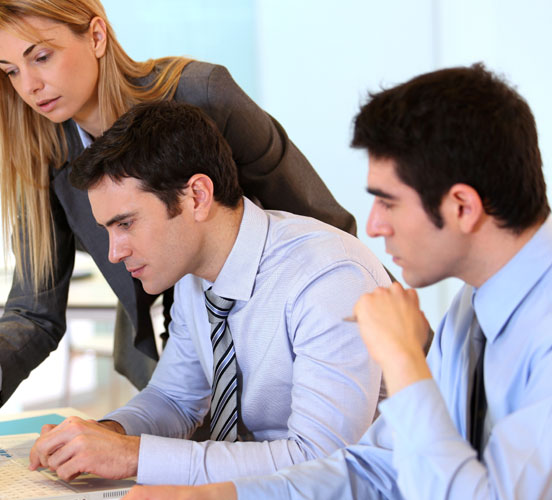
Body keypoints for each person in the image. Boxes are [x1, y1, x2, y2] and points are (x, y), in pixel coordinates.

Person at [0, 0, 357, 421]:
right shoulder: (43, 149)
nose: (29, 87)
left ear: (97, 35)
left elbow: (324, 228)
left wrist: (385, 342)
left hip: (273, 352)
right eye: (11, 71)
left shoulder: (203, 95)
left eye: (42, 57)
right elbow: (35, 310)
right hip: (165, 376)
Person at [125, 64, 552, 499]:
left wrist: (404, 361)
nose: (374, 224)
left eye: (388, 203)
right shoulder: (471, 309)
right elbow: (377, 466)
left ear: (462, 206)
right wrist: (215, 496)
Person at [24, 100, 388, 485]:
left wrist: (133, 456)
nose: (114, 253)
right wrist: (107, 434)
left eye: (126, 224)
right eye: (108, 231)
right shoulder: (193, 275)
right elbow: (174, 400)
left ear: (196, 196)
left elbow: (321, 462)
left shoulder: (328, 276)